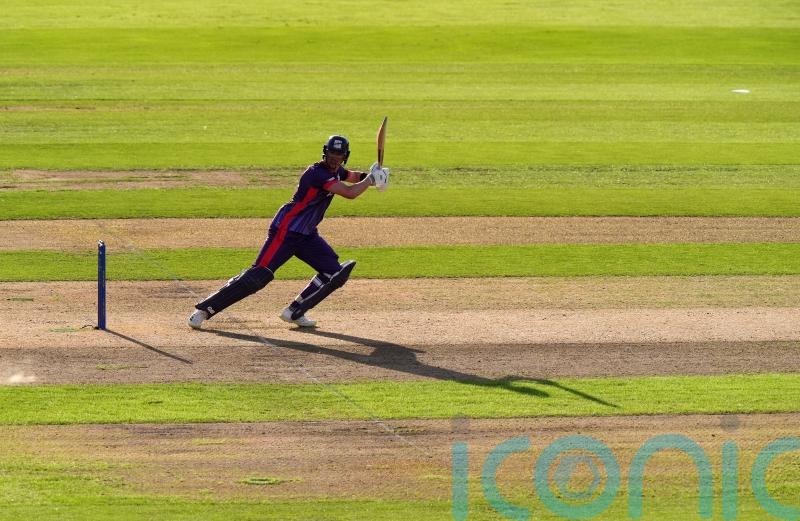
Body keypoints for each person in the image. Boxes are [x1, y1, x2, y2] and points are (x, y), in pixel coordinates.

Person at [188, 134, 388, 329]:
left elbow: (351, 177)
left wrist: (372, 174)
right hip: (286, 230)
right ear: (325, 153)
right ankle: (204, 311)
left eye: (339, 155)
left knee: (334, 272)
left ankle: (295, 311)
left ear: (345, 155)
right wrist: (371, 180)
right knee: (259, 276)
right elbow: (350, 193)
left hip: (307, 234)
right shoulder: (317, 173)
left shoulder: (336, 170)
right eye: (332, 154)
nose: (335, 158)